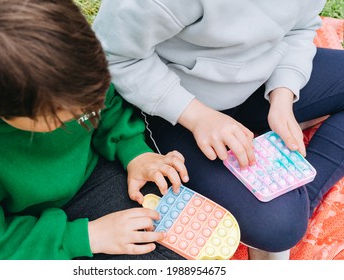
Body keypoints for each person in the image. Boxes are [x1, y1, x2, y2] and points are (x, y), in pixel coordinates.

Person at [93, 0, 344, 259]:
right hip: (173, 105)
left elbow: (300, 28)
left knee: (286, 216)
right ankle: (292, 208)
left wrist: (283, 95)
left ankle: (297, 195)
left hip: (259, 80)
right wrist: (197, 116)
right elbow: (112, 55)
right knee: (281, 227)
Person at [0, 0, 191, 260]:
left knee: (179, 238)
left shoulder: (69, 62)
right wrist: (85, 237)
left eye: (89, 103)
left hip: (93, 177)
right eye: (57, 120)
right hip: (18, 233)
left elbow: (107, 105)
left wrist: (134, 151)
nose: (84, 115)